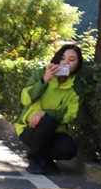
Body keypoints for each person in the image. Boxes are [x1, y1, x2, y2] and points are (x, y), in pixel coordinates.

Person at [15, 44, 82, 175]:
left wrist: (45, 113)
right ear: (57, 59)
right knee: (47, 121)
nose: (66, 63)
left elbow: (70, 115)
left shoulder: (76, 87)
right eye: (62, 58)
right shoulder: (41, 74)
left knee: (69, 149)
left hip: (55, 131)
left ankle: (44, 158)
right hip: (30, 128)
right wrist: (45, 80)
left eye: (72, 60)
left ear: (78, 65)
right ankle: (34, 159)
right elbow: (25, 99)